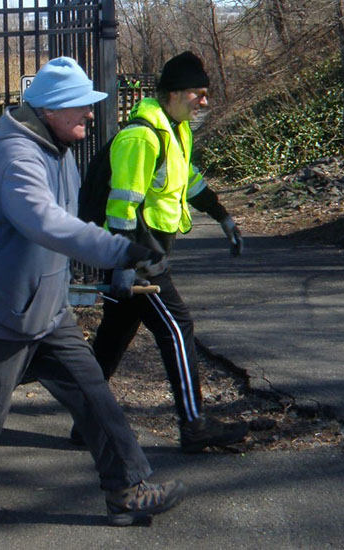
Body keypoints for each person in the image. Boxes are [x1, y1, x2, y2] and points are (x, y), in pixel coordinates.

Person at [0, 57, 185, 532]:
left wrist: (116, 254)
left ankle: (127, 491)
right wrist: (119, 251)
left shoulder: (58, 149)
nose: (90, 114)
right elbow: (46, 223)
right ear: (52, 109)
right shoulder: (15, 157)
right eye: (82, 107)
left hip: (45, 308)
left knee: (93, 394)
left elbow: (71, 222)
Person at [84, 51, 248, 453]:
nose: (205, 102)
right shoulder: (141, 136)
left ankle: (84, 424)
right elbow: (122, 207)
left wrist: (222, 215)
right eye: (199, 94)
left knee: (113, 337)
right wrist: (127, 265)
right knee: (178, 327)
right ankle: (194, 427)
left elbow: (188, 180)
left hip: (139, 256)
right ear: (174, 93)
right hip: (136, 259)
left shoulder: (175, 131)